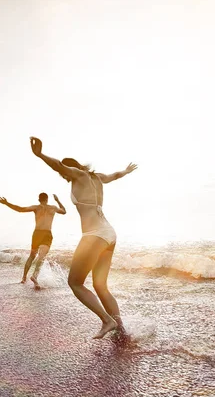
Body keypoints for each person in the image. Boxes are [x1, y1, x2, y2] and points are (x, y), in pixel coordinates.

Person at [29, 137, 137, 339]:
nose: (63, 175)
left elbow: (58, 165)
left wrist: (40, 155)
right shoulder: (96, 178)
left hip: (94, 234)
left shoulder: (78, 174)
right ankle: (121, 330)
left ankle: (107, 320)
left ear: (70, 169)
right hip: (109, 233)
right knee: (100, 285)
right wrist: (126, 171)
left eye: (64, 173)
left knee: (75, 282)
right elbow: (114, 175)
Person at [0, 193, 66, 288]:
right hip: (47, 234)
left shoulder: (36, 207)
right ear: (47, 199)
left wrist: (6, 203)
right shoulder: (53, 208)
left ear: (39, 200)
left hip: (37, 234)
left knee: (32, 256)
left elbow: (20, 209)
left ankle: (24, 278)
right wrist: (58, 200)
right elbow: (64, 211)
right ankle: (34, 276)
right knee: (41, 256)